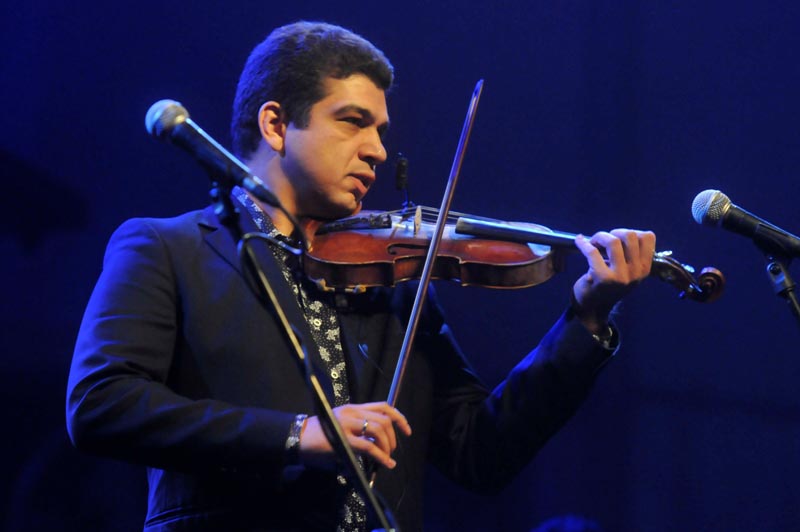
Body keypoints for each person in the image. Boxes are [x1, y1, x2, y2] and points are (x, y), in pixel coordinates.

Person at [66, 21, 655, 532]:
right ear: (276, 124)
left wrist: (587, 317)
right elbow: (101, 402)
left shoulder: (392, 286)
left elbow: (480, 452)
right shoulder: (166, 248)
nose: (377, 150)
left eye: (380, 131)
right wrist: (297, 434)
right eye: (353, 122)